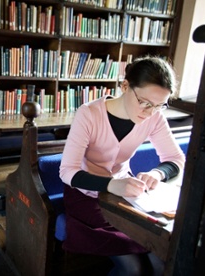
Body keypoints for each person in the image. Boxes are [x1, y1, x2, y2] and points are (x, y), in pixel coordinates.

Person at [59, 56, 186, 276]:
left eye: (159, 106)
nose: (149, 112)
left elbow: (176, 159)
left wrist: (158, 172)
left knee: (161, 263)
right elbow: (67, 172)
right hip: (85, 193)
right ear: (125, 86)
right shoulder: (89, 114)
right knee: (134, 268)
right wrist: (111, 185)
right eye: (145, 102)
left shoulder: (155, 118)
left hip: (125, 195)